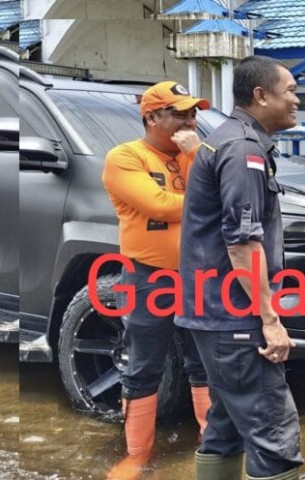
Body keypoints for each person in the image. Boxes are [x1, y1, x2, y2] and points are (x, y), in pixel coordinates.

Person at [176, 55, 303, 480]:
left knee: (226, 427)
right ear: (260, 95)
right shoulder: (243, 150)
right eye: (290, 92)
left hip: (212, 313)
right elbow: (243, 242)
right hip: (234, 315)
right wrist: (269, 319)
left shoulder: (226, 139)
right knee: (274, 433)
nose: (297, 101)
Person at [101, 81, 211, 480]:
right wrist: (202, 198)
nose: (189, 120)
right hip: (148, 276)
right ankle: (136, 455)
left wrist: (193, 152)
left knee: (203, 362)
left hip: (199, 274)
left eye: (193, 112)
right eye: (179, 112)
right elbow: (159, 205)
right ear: (150, 117)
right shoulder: (125, 157)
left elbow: (211, 192)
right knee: (144, 365)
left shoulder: (191, 154)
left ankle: (212, 446)